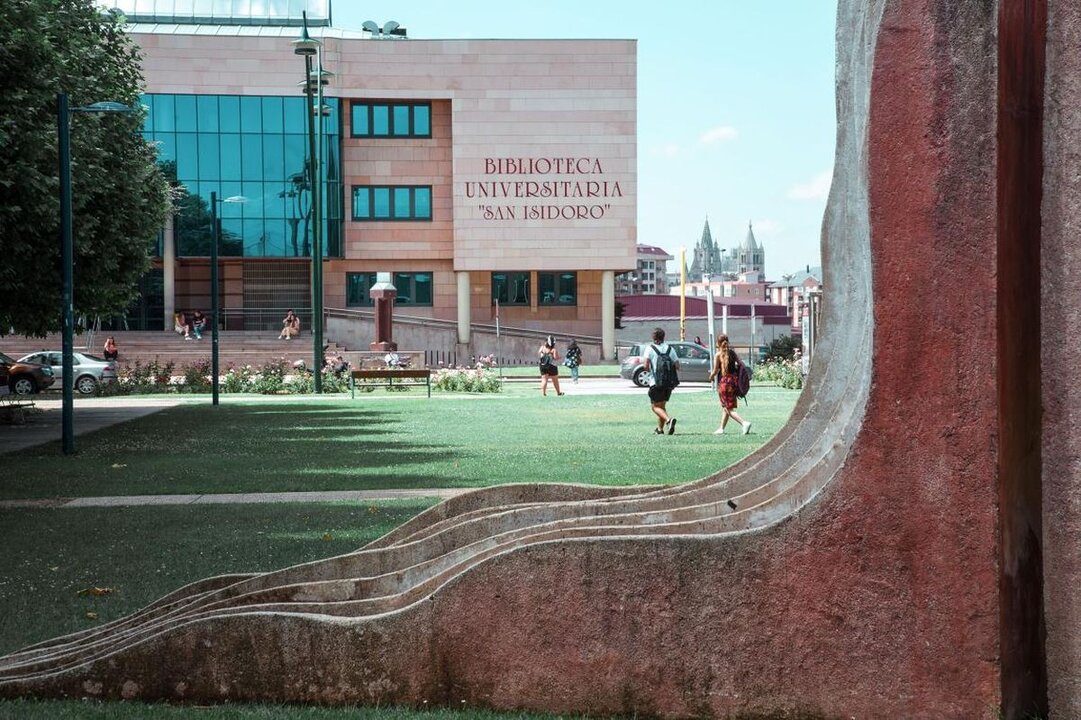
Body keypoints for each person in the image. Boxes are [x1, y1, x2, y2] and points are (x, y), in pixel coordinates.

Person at [708, 334, 752, 435]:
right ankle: (721, 428)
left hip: (724, 383)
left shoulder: (718, 355)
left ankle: (744, 423)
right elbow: (740, 364)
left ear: (718, 343)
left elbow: (715, 371)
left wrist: (710, 377)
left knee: (728, 408)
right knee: (726, 406)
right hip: (733, 382)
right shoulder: (732, 353)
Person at [645, 326, 680, 434]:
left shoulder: (650, 348)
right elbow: (678, 365)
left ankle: (669, 421)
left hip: (656, 382)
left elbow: (645, 366)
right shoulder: (670, 349)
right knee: (662, 406)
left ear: (653, 337)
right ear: (664, 337)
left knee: (655, 407)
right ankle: (660, 430)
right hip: (668, 383)